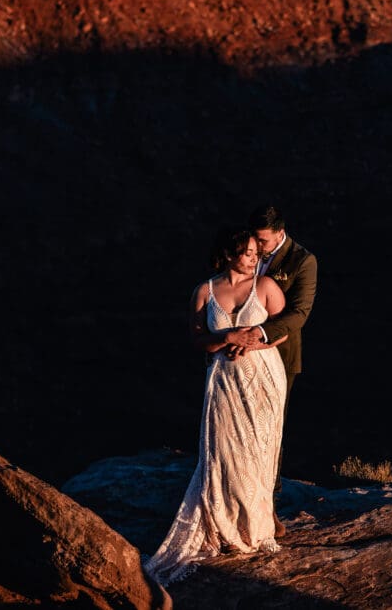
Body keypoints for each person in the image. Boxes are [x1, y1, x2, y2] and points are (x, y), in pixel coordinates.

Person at [144, 225, 289, 586]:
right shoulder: (204, 291)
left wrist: (252, 342)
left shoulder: (266, 287)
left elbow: (285, 329)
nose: (255, 257)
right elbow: (198, 342)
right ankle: (225, 524)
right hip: (224, 377)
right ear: (229, 253)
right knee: (225, 450)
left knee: (259, 448)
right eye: (248, 252)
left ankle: (257, 526)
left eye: (258, 252)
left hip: (263, 376)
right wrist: (227, 336)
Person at [227, 204, 317, 537]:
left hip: (278, 355)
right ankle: (235, 503)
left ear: (280, 233)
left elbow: (299, 313)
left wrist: (259, 335)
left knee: (268, 433)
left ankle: (268, 508)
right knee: (237, 429)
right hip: (238, 356)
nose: (257, 247)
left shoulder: (303, 261)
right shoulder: (244, 250)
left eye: (263, 241)